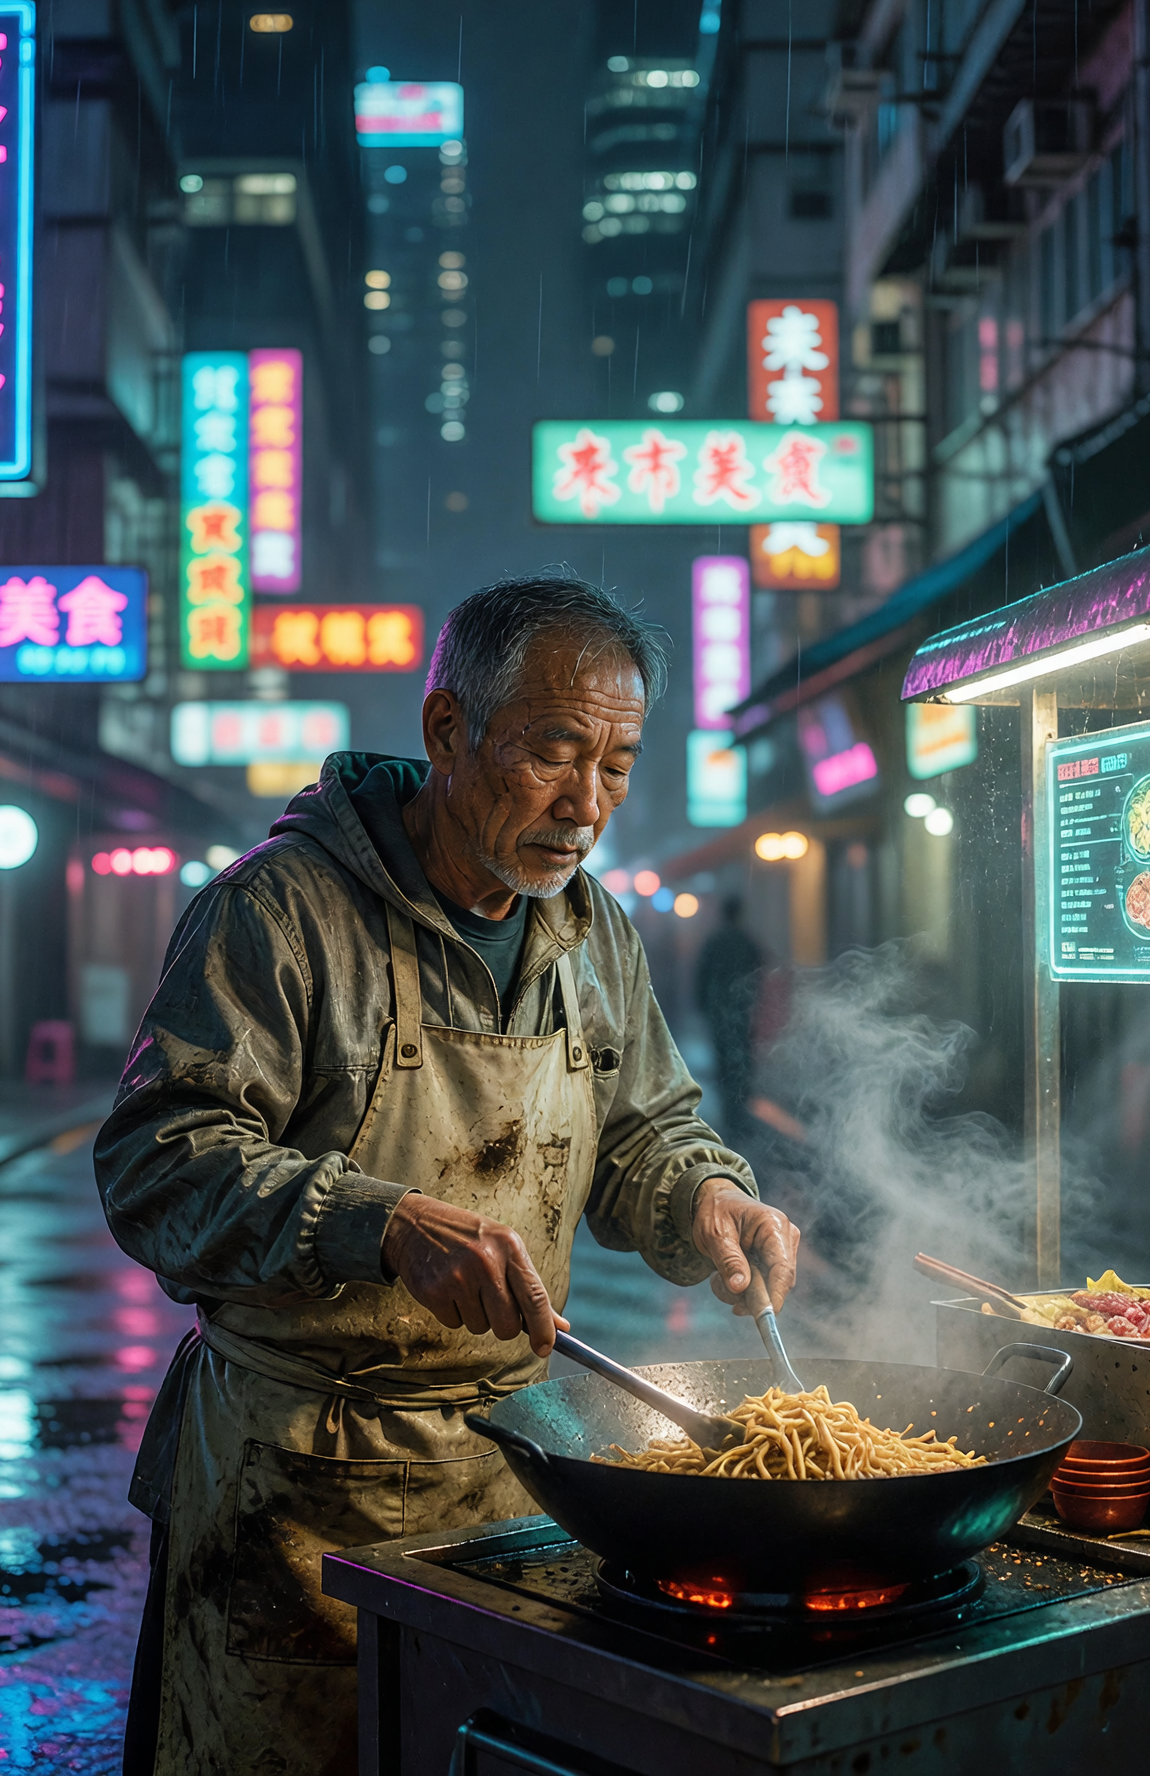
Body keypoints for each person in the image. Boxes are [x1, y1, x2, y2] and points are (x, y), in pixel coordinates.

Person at [96, 575, 801, 1775]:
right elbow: (158, 1162)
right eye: (552, 754)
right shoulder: (277, 912)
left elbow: (643, 1133)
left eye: (617, 766)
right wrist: (375, 1226)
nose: (585, 806)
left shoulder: (592, 933)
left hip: (514, 1482)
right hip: (297, 1493)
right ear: (445, 732)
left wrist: (704, 1198)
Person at [694, 895, 766, 1142]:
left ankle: (730, 1109)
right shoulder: (746, 941)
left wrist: (702, 1004)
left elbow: (702, 974)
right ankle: (741, 1106)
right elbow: (759, 970)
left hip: (719, 1008)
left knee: (724, 1056)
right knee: (741, 1055)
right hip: (741, 1008)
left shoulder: (715, 941)